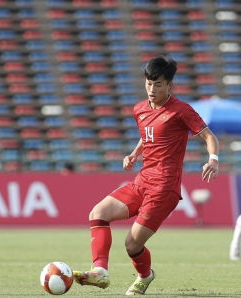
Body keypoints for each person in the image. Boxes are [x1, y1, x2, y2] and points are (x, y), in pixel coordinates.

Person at [72, 55, 219, 295]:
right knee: (98, 213)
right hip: (142, 181)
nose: (152, 89)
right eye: (149, 83)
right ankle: (100, 271)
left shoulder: (181, 110)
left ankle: (145, 276)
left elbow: (209, 136)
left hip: (164, 188)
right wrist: (134, 154)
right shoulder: (139, 109)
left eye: (158, 84)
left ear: (169, 85)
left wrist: (213, 160)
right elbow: (148, 134)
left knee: (132, 244)